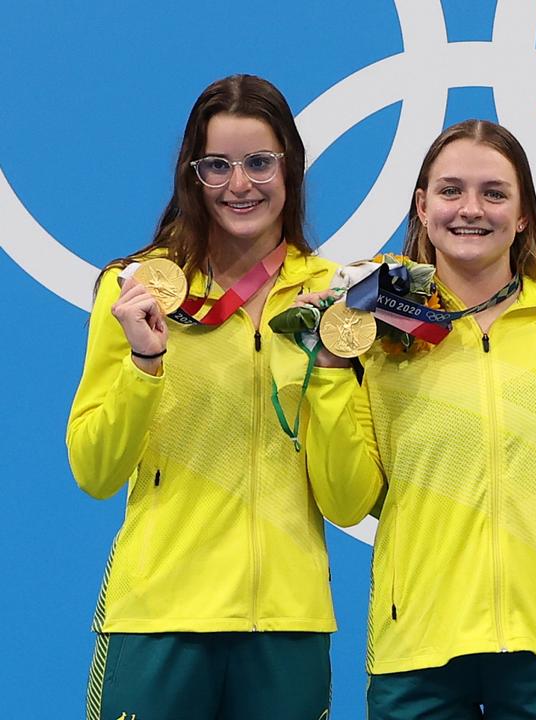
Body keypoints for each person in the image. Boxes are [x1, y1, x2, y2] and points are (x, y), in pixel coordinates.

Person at [301, 119, 536, 719]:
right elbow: (347, 500)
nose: (470, 209)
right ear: (422, 206)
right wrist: (327, 364)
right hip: (418, 648)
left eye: (495, 193)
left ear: (524, 213)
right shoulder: (372, 336)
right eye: (450, 191)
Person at [67, 74, 338, 720]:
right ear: (192, 173)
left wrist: (324, 364)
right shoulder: (134, 291)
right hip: (160, 615)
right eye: (216, 164)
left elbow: (349, 492)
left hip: (286, 622)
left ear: (290, 167)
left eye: (258, 163)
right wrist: (144, 362)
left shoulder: (330, 301)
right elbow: (95, 471)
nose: (238, 185)